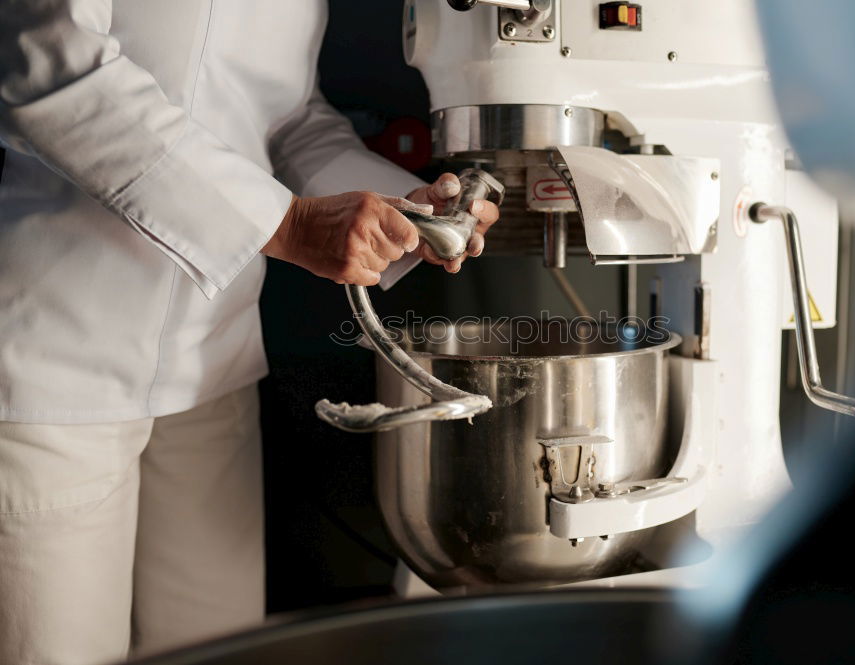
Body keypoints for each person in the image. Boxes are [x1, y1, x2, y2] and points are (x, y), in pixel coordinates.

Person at [0, 1, 500, 663]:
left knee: (218, 647)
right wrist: (287, 225)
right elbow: (47, 61)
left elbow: (287, 115)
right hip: (62, 364)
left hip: (212, 360)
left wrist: (402, 214)